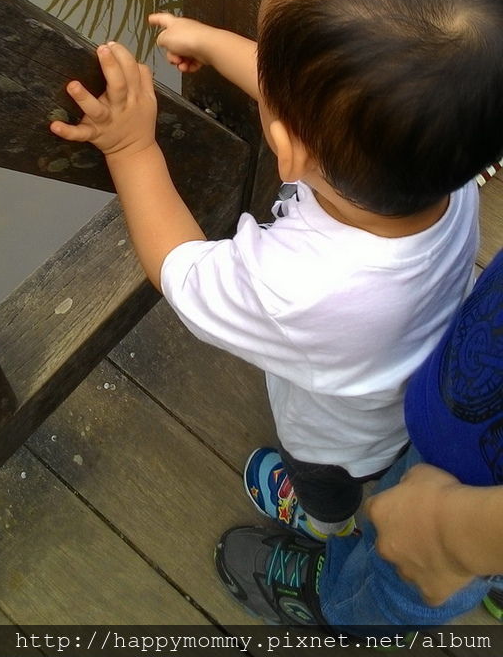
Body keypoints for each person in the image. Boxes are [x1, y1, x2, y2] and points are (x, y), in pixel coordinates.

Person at [50, 0, 503, 546]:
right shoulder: (443, 171)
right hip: (414, 386)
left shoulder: (300, 287)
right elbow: (320, 101)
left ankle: (327, 526)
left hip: (341, 444)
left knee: (326, 486)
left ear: (287, 147)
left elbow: (180, 269)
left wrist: (131, 147)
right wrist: (212, 41)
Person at [214, 246, 503, 626]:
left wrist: (455, 530)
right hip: (467, 425)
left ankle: (340, 603)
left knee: (397, 580)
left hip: (470, 508)